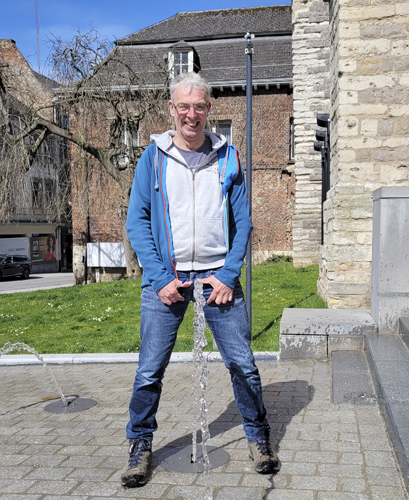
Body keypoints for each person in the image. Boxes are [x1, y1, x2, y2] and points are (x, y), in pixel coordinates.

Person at [122, 71, 279, 488]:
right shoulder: (152, 158)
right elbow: (137, 221)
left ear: (209, 109)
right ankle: (140, 446)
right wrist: (158, 278)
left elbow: (243, 222)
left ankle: (257, 436)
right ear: (171, 109)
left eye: (198, 107)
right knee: (149, 371)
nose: (191, 115)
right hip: (167, 282)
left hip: (217, 279)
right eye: (183, 107)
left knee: (242, 364)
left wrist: (228, 275)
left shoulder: (229, 157)